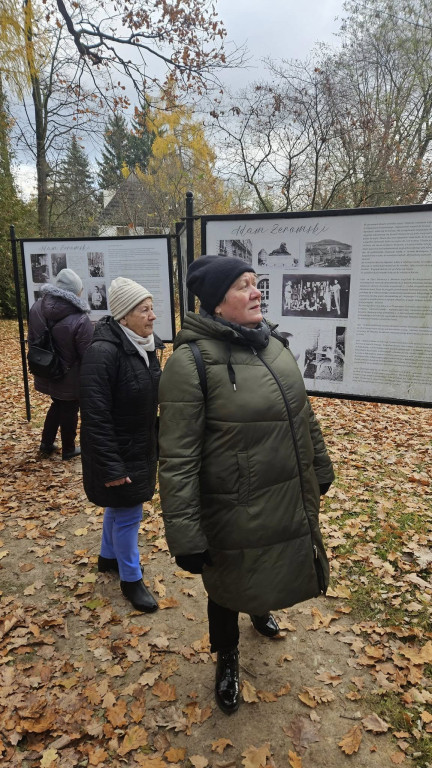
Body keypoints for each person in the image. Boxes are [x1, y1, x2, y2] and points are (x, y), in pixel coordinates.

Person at [158, 255, 335, 715]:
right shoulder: (190, 363)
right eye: (243, 285)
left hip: (282, 492)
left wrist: (319, 463)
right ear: (217, 304)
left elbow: (303, 413)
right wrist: (185, 534)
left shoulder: (273, 344)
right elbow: (177, 459)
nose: (257, 292)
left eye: (256, 283)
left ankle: (261, 608)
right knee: (228, 582)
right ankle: (228, 656)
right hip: (231, 505)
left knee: (268, 566)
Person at [80, 277, 163, 613]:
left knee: (120, 506)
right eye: (144, 310)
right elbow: (96, 417)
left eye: (152, 308)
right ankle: (131, 579)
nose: (153, 315)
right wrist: (111, 467)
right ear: (124, 316)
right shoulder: (102, 353)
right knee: (130, 512)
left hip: (140, 444)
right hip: (117, 450)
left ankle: (107, 557)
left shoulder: (146, 345)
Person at [28, 268, 93, 460]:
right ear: (76, 291)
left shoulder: (37, 307)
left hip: (45, 366)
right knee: (69, 407)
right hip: (69, 374)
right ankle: (68, 449)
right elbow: (87, 354)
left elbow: (33, 337)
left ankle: (46, 443)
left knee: (57, 403)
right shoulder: (81, 318)